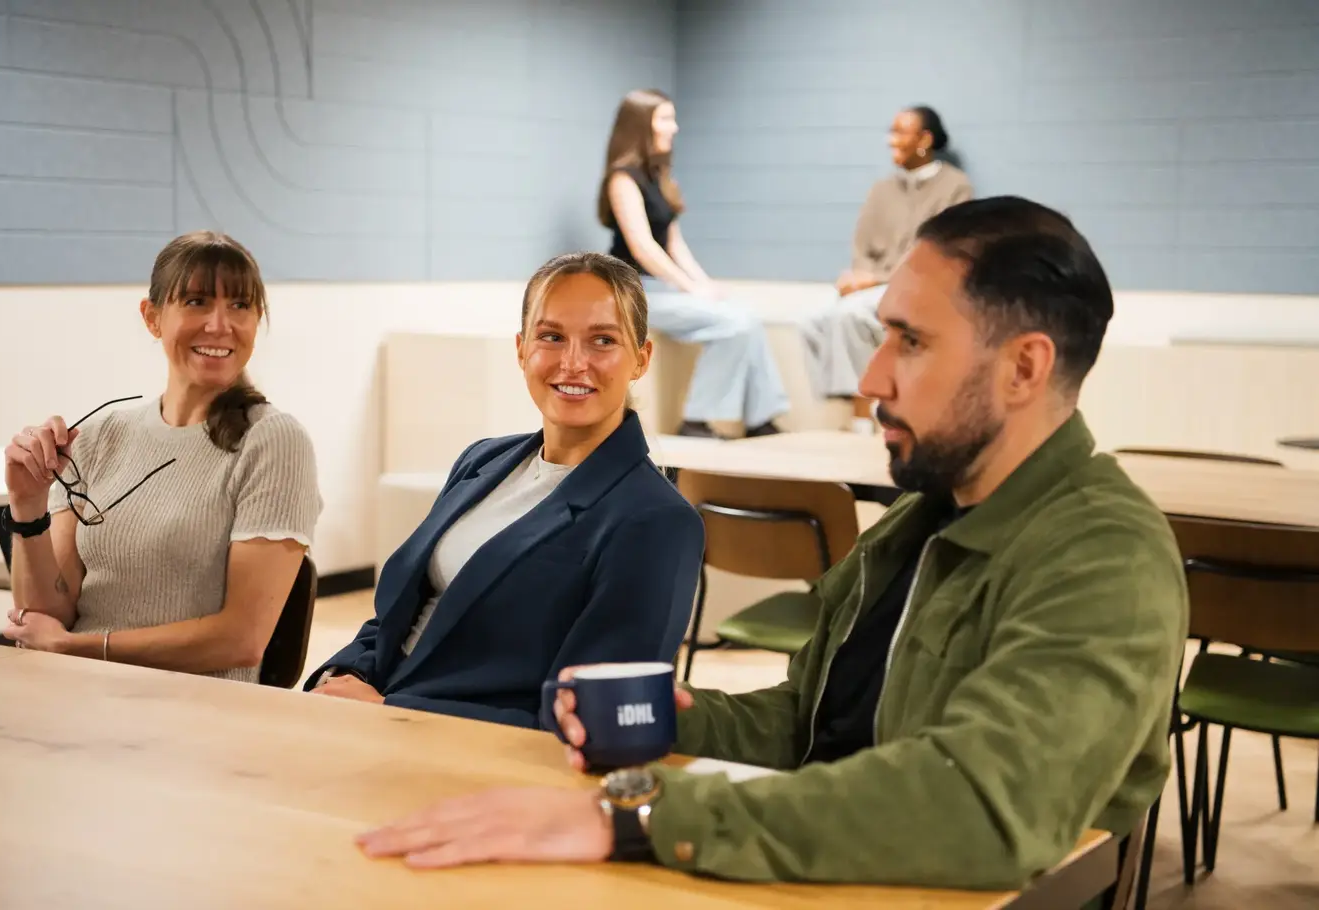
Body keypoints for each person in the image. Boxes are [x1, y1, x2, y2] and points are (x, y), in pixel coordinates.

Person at [352, 198, 1190, 896]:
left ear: (1024, 368)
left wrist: (639, 816)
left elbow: (979, 806)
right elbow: (808, 723)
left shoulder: (1104, 556)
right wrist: (674, 719)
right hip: (840, 873)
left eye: (910, 341)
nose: (871, 379)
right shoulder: (919, 521)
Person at [305, 252, 704, 728]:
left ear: (640, 359)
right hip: (369, 722)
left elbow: (591, 717)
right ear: (521, 349)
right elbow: (398, 619)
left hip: (470, 753)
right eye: (551, 337)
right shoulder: (484, 460)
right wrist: (343, 673)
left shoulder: (657, 521)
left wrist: (390, 711)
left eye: (603, 340)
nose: (573, 363)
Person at [0, 231, 322, 683]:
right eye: (196, 302)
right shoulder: (98, 438)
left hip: (194, 708)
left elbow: (241, 639)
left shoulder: (273, 442)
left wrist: (78, 648)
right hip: (79, 693)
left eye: (239, 305)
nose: (219, 325)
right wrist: (28, 504)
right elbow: (48, 615)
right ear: (152, 318)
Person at [601, 88, 789, 439]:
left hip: (662, 287)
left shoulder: (660, 176)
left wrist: (704, 285)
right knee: (733, 325)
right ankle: (696, 421)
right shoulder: (622, 179)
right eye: (665, 119)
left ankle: (760, 419)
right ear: (642, 125)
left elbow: (674, 244)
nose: (674, 127)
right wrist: (689, 288)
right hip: (633, 294)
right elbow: (643, 248)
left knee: (746, 317)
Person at [801, 105, 974, 428]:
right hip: (874, 287)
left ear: (925, 139)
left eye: (900, 132)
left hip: (922, 289)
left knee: (849, 315)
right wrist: (859, 277)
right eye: (891, 132)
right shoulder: (881, 189)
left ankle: (861, 416)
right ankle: (845, 403)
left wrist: (875, 279)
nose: (891, 140)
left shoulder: (955, 187)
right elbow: (861, 245)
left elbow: (942, 254)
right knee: (812, 322)